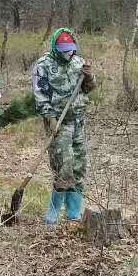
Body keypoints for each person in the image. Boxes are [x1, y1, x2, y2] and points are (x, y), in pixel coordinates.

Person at [32, 28, 96, 224]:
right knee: (63, 167)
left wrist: (90, 77)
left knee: (79, 167)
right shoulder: (43, 65)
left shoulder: (78, 61)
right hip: (59, 122)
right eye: (63, 49)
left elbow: (88, 89)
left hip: (78, 121)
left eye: (70, 49)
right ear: (55, 47)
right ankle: (52, 214)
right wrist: (49, 118)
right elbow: (40, 95)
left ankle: (74, 213)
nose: (67, 53)